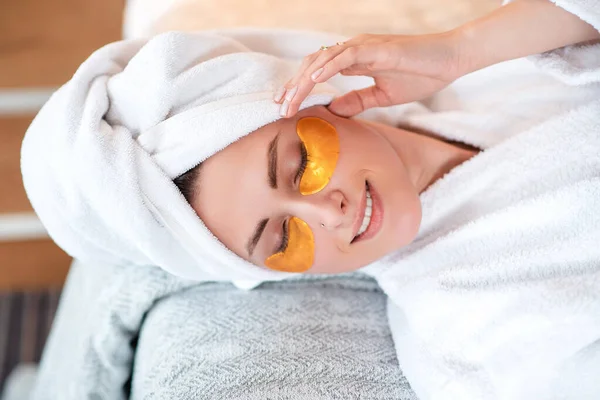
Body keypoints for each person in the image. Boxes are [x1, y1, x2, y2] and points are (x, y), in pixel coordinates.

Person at [21, 0, 600, 398]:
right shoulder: (471, 335)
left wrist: (459, 52)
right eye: (281, 239)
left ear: (310, 98)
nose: (329, 214)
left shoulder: (490, 76)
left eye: (300, 168)